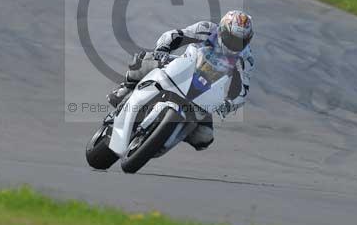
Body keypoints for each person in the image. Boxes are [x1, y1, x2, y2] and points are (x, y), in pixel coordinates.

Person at [107, 10, 255, 151]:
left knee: (204, 137)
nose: (234, 44)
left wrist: (228, 104)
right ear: (222, 30)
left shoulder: (245, 59)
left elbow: (241, 90)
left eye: (240, 41)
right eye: (231, 38)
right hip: (182, 68)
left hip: (204, 93)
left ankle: (169, 134)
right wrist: (162, 49)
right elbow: (174, 35)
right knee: (145, 60)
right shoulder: (207, 29)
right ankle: (125, 88)